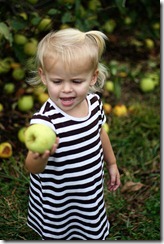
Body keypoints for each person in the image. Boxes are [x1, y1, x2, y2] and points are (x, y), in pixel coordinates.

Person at [25, 28, 120, 240]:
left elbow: (100, 133)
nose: (67, 90)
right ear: (44, 76)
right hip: (58, 197)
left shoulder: (94, 103)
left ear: (93, 77)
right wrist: (39, 156)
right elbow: (32, 168)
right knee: (59, 232)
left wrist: (111, 163)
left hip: (88, 187)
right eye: (57, 82)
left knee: (89, 222)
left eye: (77, 82)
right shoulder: (45, 121)